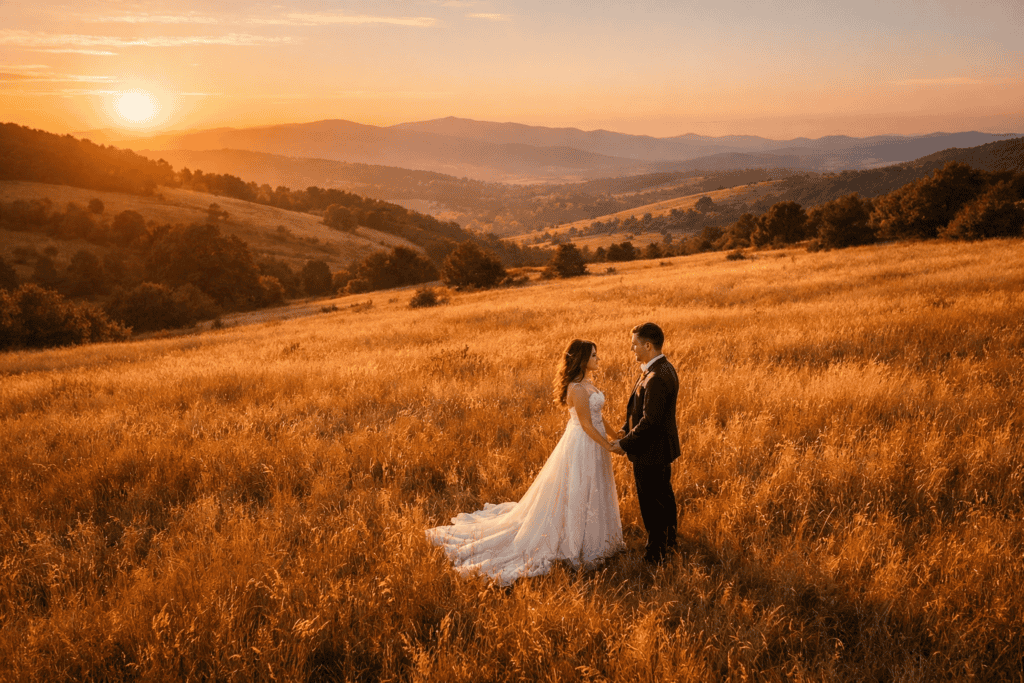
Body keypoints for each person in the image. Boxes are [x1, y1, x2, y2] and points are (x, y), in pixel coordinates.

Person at [425, 339, 624, 585]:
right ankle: (576, 543)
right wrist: (608, 445)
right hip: (583, 444)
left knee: (595, 487)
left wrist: (615, 435)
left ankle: (597, 539)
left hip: (595, 441)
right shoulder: (577, 389)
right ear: (582, 360)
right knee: (578, 488)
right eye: (594, 355)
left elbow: (598, 418)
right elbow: (585, 424)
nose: (598, 359)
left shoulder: (589, 384)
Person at [611, 322, 680, 564]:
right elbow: (641, 410)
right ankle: (669, 542)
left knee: (652, 503)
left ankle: (656, 553)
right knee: (663, 497)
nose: (632, 349)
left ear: (648, 345)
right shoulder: (660, 369)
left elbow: (650, 421)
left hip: (651, 451)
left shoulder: (657, 376)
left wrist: (625, 444)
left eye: (635, 344)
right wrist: (625, 428)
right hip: (657, 449)